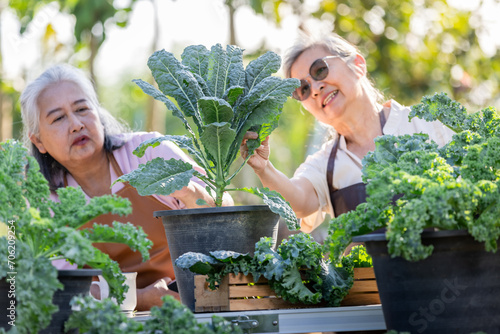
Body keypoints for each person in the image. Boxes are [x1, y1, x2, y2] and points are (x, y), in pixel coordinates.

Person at [20, 64, 233, 310]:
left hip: (194, 304)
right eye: (58, 118)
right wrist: (139, 299)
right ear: (38, 141)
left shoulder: (149, 152)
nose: (76, 124)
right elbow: (57, 286)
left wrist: (187, 191)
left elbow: (224, 212)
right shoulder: (40, 200)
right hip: (106, 320)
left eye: (82, 109)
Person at [241, 32, 454, 236]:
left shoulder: (427, 124)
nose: (315, 89)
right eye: (303, 89)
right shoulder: (325, 164)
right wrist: (264, 168)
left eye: (320, 70)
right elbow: (299, 201)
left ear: (358, 65)